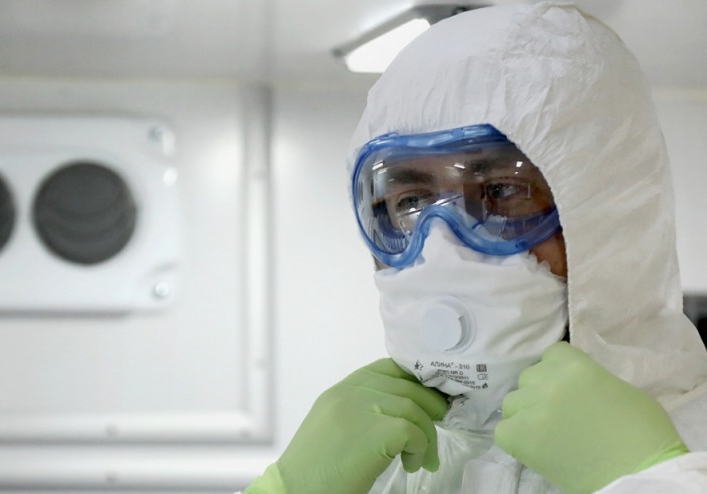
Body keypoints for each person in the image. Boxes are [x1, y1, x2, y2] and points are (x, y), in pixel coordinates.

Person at [245, 2, 707, 493]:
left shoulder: (687, 451)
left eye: (503, 190)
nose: (442, 248)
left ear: (611, 214)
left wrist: (654, 480)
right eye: (411, 201)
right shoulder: (392, 463)